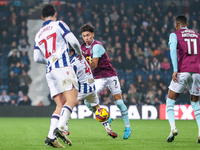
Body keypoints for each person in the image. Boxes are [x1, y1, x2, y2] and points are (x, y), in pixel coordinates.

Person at [34, 4, 82, 148]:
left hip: (50, 71)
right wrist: (79, 53)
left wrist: (50, 60)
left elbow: (37, 58)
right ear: (55, 14)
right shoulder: (59, 24)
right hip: (63, 67)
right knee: (73, 100)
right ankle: (60, 129)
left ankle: (50, 137)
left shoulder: (38, 34)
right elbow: (73, 41)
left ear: (42, 17)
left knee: (60, 105)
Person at [80, 23, 131, 139]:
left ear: (92, 34)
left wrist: (82, 72)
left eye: (88, 35)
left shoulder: (97, 46)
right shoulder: (82, 48)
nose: (86, 38)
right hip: (98, 78)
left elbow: (94, 64)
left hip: (110, 75)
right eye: (84, 36)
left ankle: (128, 127)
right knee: (87, 101)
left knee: (119, 102)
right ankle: (106, 118)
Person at [69, 48, 117, 138]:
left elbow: (72, 79)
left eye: (68, 52)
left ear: (72, 52)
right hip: (92, 88)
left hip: (83, 90)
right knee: (98, 109)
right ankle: (108, 128)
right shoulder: (82, 57)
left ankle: (65, 128)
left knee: (66, 106)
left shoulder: (73, 63)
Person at [166, 15, 200, 143]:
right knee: (196, 104)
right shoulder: (197, 35)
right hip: (197, 71)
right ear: (187, 23)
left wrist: (175, 69)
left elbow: (173, 50)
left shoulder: (175, 35)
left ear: (177, 25)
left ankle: (173, 128)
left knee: (170, 101)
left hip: (183, 70)